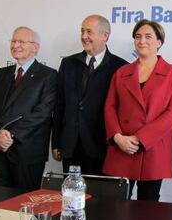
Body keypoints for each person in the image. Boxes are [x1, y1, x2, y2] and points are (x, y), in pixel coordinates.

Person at [103, 19, 172, 201]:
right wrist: (117, 137)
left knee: (149, 206)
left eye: (148, 36)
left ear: (159, 42)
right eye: (138, 37)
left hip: (153, 148)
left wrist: (140, 138)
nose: (142, 41)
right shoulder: (121, 72)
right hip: (122, 147)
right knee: (117, 205)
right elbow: (110, 107)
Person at [0, 26, 57, 189]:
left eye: (21, 41)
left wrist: (10, 135)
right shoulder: (1, 73)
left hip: (27, 152)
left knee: (25, 205)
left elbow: (43, 112)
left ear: (35, 47)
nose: (15, 45)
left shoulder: (48, 75)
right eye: (13, 41)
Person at [52, 14, 127, 175]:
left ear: (105, 35)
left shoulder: (120, 67)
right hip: (70, 146)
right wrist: (56, 142)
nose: (84, 37)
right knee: (71, 197)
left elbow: (122, 110)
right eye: (82, 32)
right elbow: (59, 105)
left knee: (100, 198)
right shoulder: (68, 63)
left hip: (103, 146)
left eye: (89, 32)